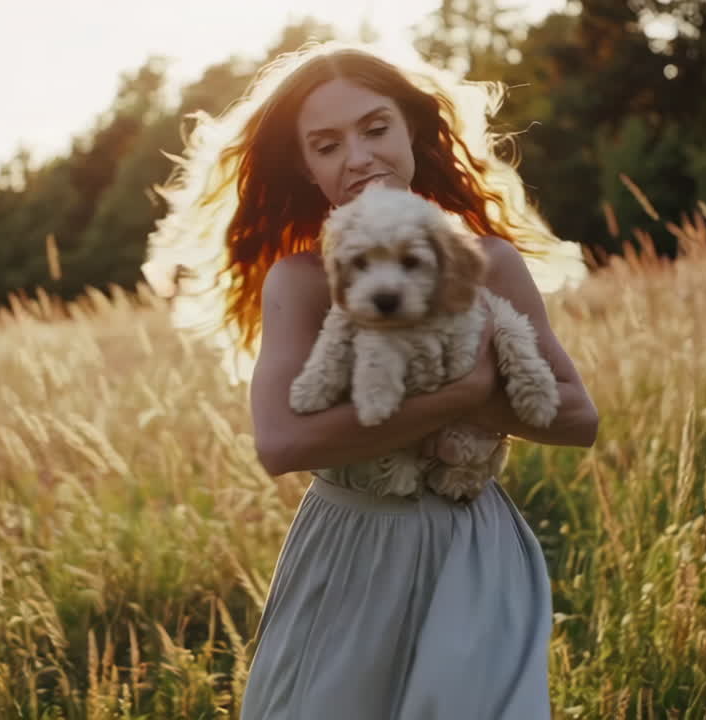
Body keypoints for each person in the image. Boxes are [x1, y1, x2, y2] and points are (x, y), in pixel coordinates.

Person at [144, 41, 598, 720]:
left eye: (376, 129)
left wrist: (479, 394)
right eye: (327, 145)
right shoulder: (298, 282)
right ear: (306, 165)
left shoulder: (488, 261)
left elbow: (577, 419)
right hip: (348, 549)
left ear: (412, 128)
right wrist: (466, 394)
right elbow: (282, 445)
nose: (358, 158)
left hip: (467, 545)